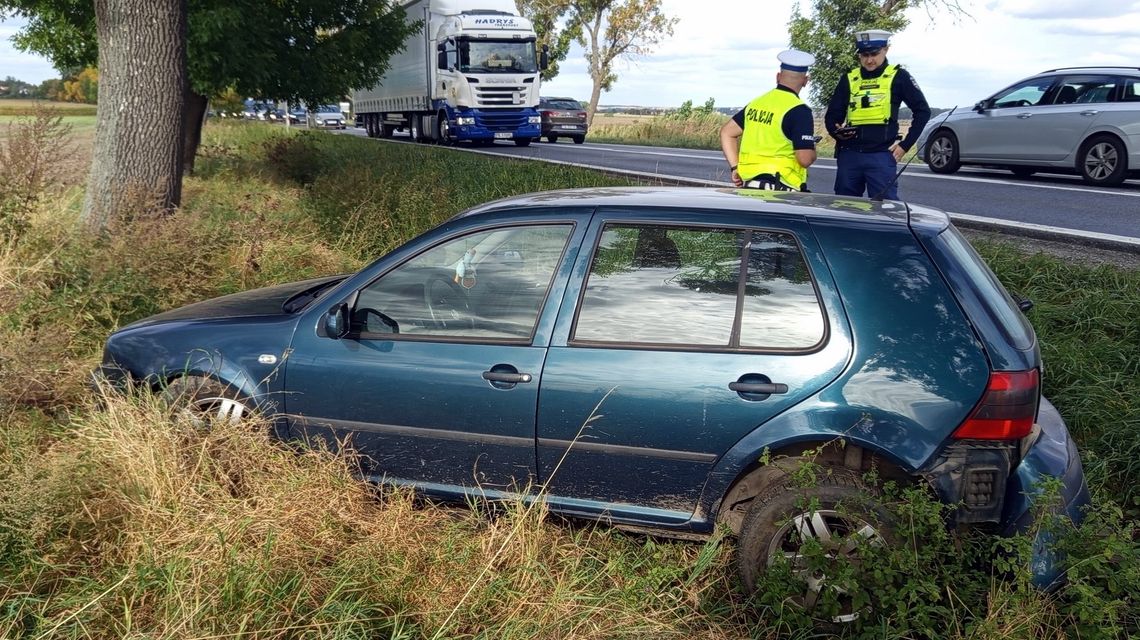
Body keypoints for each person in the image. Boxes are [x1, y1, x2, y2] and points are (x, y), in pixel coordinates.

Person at [826, 29, 931, 200]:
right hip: (850, 155)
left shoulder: (899, 77)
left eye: (874, 54)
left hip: (881, 156)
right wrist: (836, 131)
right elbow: (832, 116)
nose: (869, 60)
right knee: (844, 208)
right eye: (864, 55)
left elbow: (923, 111)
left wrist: (905, 145)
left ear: (886, 50)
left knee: (885, 211)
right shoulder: (849, 79)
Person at [720, 49, 818, 191]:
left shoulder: (756, 103)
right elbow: (805, 159)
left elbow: (726, 132)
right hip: (781, 189)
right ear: (805, 81)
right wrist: (812, 146)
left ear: (778, 77)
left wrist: (735, 167)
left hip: (749, 186)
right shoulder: (800, 110)